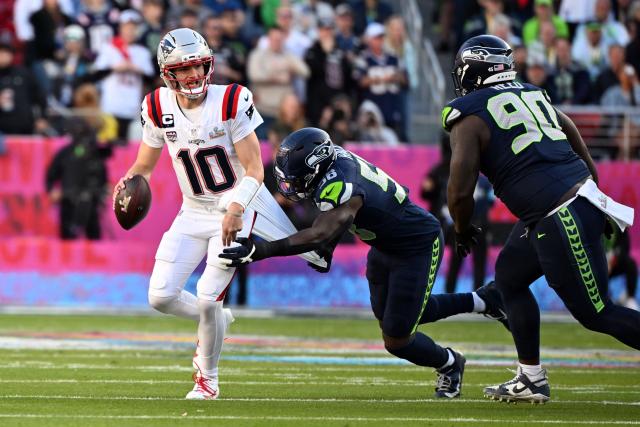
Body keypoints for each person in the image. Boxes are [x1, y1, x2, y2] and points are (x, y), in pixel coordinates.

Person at [112, 28, 325, 401]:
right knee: (160, 296)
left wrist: (237, 208)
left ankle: (206, 379)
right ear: (168, 72)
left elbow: (255, 169)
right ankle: (217, 320)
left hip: (236, 209)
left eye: (198, 65)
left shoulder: (230, 100)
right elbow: (143, 166)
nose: (193, 75)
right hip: (192, 210)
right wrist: (128, 181)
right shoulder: (157, 106)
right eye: (184, 68)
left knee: (210, 298)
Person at [219, 127, 510, 399]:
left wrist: (261, 250)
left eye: (296, 176)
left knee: (397, 338)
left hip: (415, 246)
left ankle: (450, 363)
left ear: (317, 165)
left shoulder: (341, 183)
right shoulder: (332, 168)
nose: (288, 184)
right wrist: (326, 247)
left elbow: (322, 231)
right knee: (395, 316)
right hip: (383, 246)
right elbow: (333, 223)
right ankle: (484, 300)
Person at [443, 34, 638, 404]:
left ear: (471, 71)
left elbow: (458, 190)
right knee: (510, 278)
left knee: (598, 313)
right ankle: (531, 378)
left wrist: (462, 227)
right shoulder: (532, 93)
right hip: (567, 203)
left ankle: (531, 377)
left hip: (558, 213)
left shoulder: (467, 116)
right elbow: (569, 127)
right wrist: (590, 182)